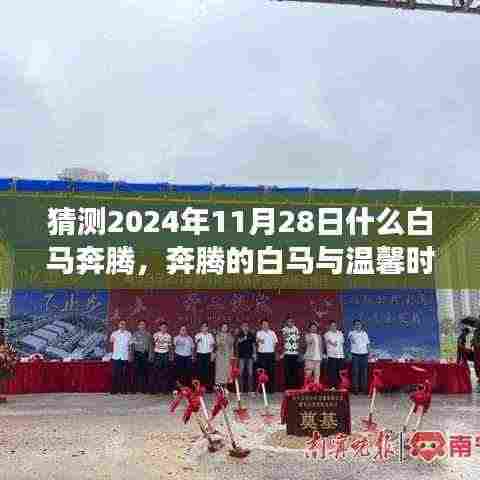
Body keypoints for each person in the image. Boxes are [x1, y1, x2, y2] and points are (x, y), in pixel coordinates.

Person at [110, 320, 132, 395]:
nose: (122, 325)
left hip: (125, 356)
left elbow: (130, 345)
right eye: (121, 324)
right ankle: (114, 390)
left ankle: (123, 390)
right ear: (118, 325)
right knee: (115, 374)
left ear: (125, 325)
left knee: (124, 374)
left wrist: (130, 355)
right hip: (116, 356)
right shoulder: (114, 333)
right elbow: (111, 341)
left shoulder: (129, 334)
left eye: (124, 324)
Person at [348, 320, 370, 395]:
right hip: (355, 355)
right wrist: (355, 334)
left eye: (359, 324)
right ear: (354, 326)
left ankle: (364, 389)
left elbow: (368, 344)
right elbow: (351, 340)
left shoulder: (364, 333)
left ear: (361, 325)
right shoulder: (351, 333)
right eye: (356, 324)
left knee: (364, 373)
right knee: (355, 373)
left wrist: (369, 353)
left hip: (364, 355)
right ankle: (355, 390)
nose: (358, 326)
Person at [256, 319, 278, 393]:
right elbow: (258, 340)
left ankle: (271, 390)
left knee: (271, 372)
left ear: (268, 325)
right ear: (261, 325)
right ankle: (262, 390)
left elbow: (275, 342)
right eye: (264, 324)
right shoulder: (259, 333)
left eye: (266, 324)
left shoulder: (272, 333)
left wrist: (272, 350)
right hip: (262, 354)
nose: (265, 325)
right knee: (262, 372)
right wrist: (260, 340)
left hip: (271, 354)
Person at [131, 320, 153, 394]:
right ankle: (134, 389)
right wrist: (131, 355)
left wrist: (150, 356)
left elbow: (150, 346)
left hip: (145, 354)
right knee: (135, 372)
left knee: (145, 372)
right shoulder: (135, 334)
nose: (142, 326)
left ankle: (144, 389)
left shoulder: (148, 334)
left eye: (143, 324)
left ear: (145, 326)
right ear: (138, 326)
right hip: (137, 354)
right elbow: (132, 345)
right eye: (140, 324)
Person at [236, 321, 256, 396]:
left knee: (250, 373)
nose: (245, 327)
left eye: (246, 326)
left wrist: (254, 353)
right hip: (241, 357)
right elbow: (237, 343)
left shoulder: (251, 334)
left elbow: (254, 345)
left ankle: (250, 391)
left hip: (250, 356)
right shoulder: (239, 334)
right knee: (240, 373)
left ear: (248, 327)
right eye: (244, 326)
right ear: (241, 327)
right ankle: (240, 391)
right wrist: (243, 338)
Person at [281, 315, 301, 390]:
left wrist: (298, 351)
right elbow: (284, 338)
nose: (290, 323)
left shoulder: (296, 329)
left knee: (295, 371)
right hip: (287, 353)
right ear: (286, 322)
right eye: (289, 322)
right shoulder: (284, 329)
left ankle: (295, 388)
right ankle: (288, 388)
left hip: (295, 353)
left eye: (291, 321)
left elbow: (298, 340)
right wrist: (288, 332)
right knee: (287, 372)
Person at [152, 322, 172, 394]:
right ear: (159, 327)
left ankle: (164, 390)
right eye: (162, 327)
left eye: (165, 327)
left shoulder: (169, 336)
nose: (164, 328)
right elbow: (153, 344)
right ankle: (155, 389)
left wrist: (170, 356)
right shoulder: (156, 334)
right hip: (157, 354)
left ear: (167, 328)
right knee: (156, 372)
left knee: (165, 372)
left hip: (165, 354)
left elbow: (170, 346)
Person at [195, 322, 215, 391]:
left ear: (207, 328)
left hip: (208, 354)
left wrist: (212, 354)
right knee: (200, 371)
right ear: (201, 328)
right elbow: (196, 342)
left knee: (207, 371)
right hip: (200, 354)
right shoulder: (198, 335)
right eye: (203, 326)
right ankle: (199, 388)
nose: (204, 328)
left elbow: (212, 345)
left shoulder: (210, 335)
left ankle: (207, 388)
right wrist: (199, 339)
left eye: (205, 326)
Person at [324, 321, 344, 389]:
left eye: (334, 325)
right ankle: (332, 386)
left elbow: (342, 342)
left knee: (338, 372)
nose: (333, 327)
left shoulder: (340, 333)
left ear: (336, 326)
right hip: (331, 355)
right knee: (332, 371)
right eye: (332, 326)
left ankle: (338, 386)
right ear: (329, 326)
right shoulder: (327, 334)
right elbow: (330, 342)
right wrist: (333, 343)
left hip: (340, 355)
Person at [215, 323, 235, 390]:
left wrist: (232, 355)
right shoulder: (218, 335)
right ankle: (219, 388)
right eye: (223, 327)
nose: (225, 328)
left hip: (227, 356)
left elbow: (231, 346)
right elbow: (218, 344)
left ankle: (226, 388)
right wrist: (223, 340)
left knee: (227, 371)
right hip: (220, 356)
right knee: (219, 371)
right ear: (221, 328)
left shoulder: (230, 335)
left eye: (226, 327)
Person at [473, 324, 480, 390]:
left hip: (478, 349)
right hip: (476, 350)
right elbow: (474, 340)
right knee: (476, 365)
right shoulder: (476, 331)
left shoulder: (476, 331)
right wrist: (473, 342)